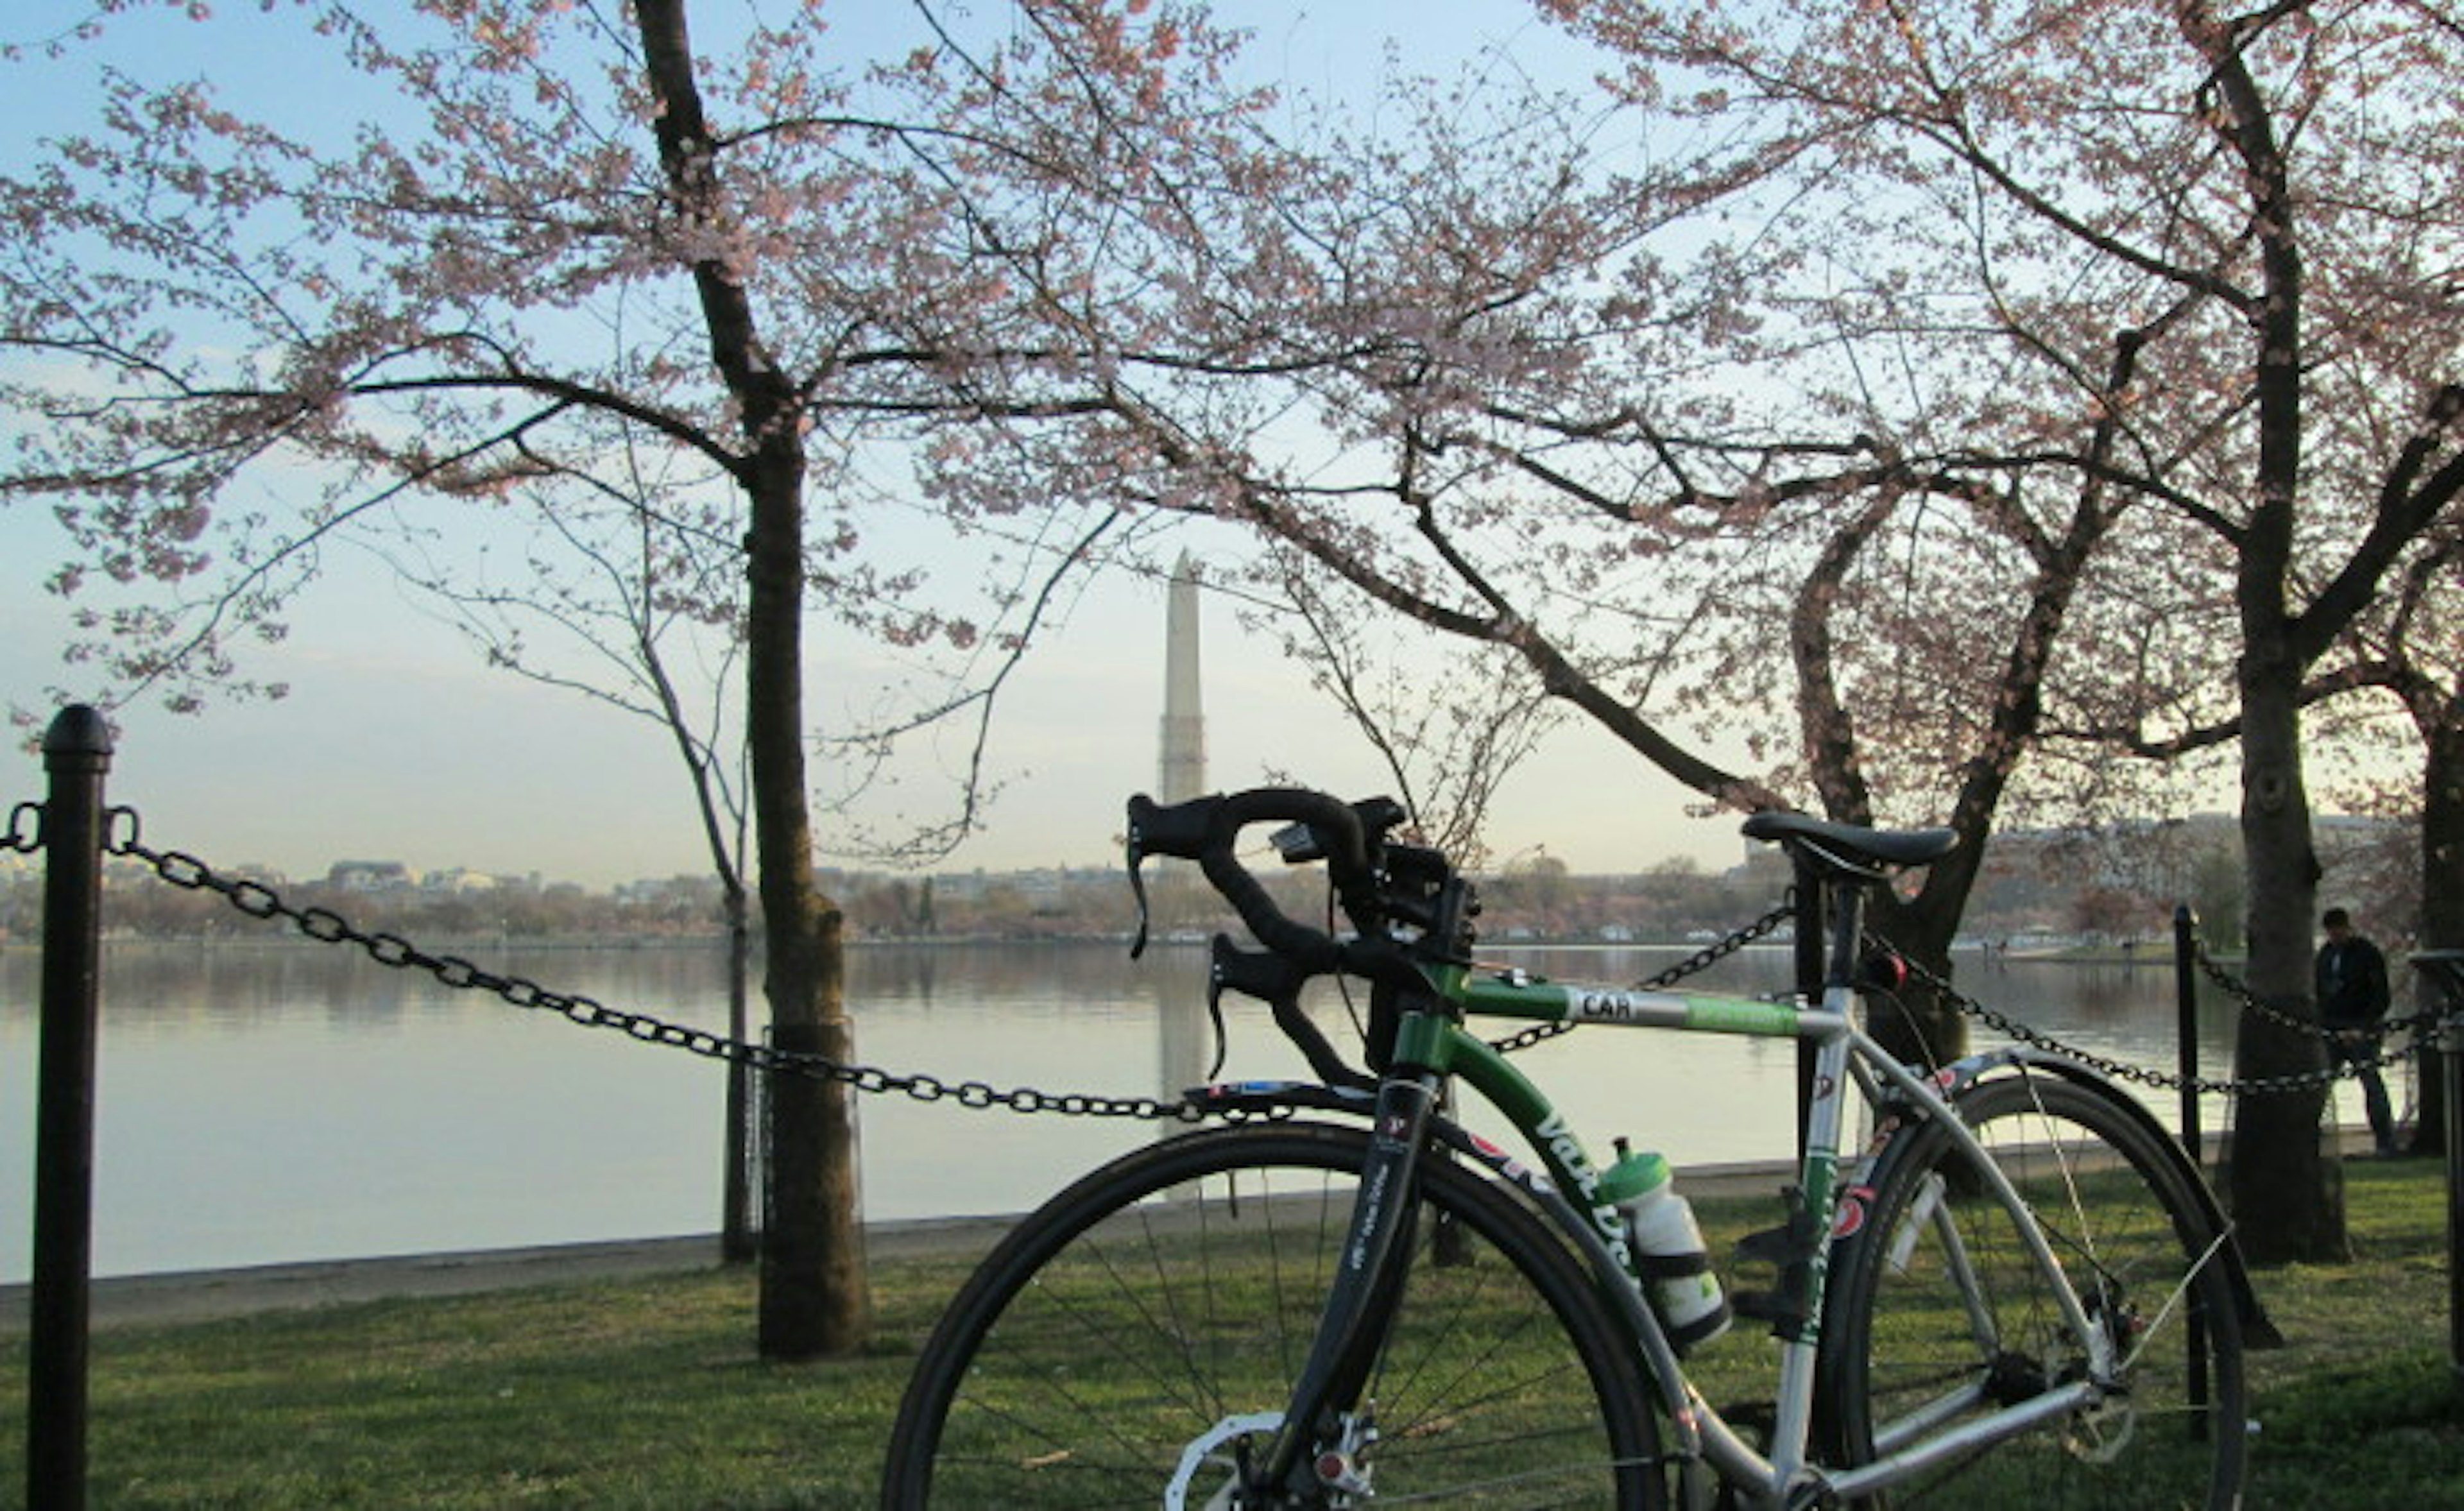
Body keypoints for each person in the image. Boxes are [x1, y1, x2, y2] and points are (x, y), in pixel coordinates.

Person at [2314, 907, 2397, 1157]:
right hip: (2333, 1029)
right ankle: (2311, 1140)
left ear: (2348, 927)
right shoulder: (2325, 955)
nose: (2335, 936)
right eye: (2331, 932)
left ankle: (2385, 1142)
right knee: (2320, 1085)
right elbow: (2320, 991)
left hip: (2362, 1028)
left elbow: (2381, 995)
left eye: (2339, 930)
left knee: (2371, 1084)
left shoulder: (2367, 953)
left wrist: (2364, 1026)